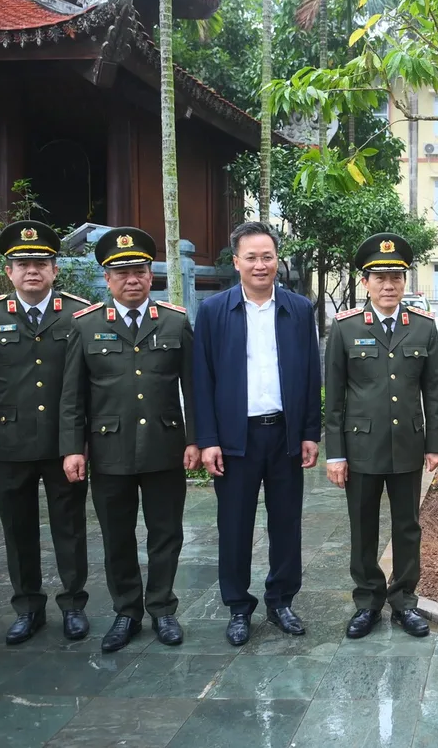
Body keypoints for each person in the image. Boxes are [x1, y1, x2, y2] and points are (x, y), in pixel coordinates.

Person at [60, 227, 199, 652]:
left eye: (139, 271)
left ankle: (162, 608)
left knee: (166, 533)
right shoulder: (86, 325)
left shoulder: (175, 321)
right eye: (122, 273)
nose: (132, 280)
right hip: (109, 451)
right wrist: (72, 448)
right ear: (107, 279)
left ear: (150, 275)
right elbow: (72, 395)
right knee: (117, 535)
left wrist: (195, 440)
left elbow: (194, 389)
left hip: (164, 446)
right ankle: (127, 612)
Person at [192, 222, 322, 647]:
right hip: (235, 439)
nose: (260, 265)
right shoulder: (214, 311)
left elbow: (311, 374)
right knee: (234, 525)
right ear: (236, 262)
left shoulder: (298, 309)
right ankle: (238, 606)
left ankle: (281, 600)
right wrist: (208, 439)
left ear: (277, 260)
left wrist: (310, 432)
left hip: (284, 434)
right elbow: (201, 379)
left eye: (267, 256)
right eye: (251, 257)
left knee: (286, 522)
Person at [0, 222, 91, 645]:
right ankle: (28, 607)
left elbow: (87, 384)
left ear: (55, 269)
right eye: (23, 264)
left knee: (69, 528)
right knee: (17, 530)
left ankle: (73, 604)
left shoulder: (77, 314)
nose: (32, 271)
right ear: (9, 272)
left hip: (63, 443)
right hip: (9, 444)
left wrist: (82, 442)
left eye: (40, 263)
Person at [325, 233, 438, 639]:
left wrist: (435, 445)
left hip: (408, 444)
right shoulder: (345, 328)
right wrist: (335, 454)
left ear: (405, 281)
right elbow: (335, 398)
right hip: (361, 447)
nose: (389, 285)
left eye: (396, 277)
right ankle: (368, 602)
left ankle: (404, 601)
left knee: (407, 526)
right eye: (380, 278)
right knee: (363, 526)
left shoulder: (423, 328)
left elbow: (433, 391)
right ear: (365, 282)